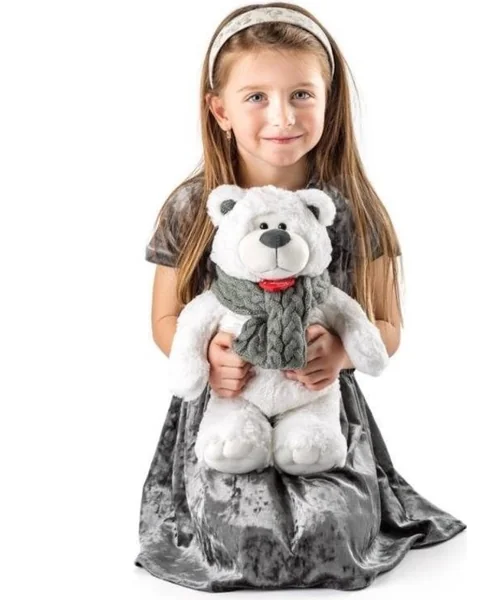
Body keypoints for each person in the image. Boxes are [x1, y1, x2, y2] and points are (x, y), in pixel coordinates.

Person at [135, 2, 466, 592]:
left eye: (302, 94)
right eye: (256, 96)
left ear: (328, 102)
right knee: (242, 535)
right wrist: (209, 357)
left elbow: (387, 326)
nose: (282, 116)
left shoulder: (352, 209)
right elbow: (167, 319)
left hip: (319, 408)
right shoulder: (193, 206)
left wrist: (338, 352)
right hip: (225, 410)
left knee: (330, 531)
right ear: (220, 109)